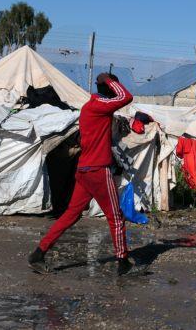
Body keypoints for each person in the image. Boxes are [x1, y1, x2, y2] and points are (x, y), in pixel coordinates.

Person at [28, 73, 134, 276]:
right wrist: (110, 81)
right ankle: (123, 261)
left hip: (84, 170)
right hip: (98, 170)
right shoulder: (100, 106)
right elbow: (126, 97)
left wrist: (107, 83)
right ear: (109, 89)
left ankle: (39, 253)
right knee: (116, 217)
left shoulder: (88, 108)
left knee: (71, 215)